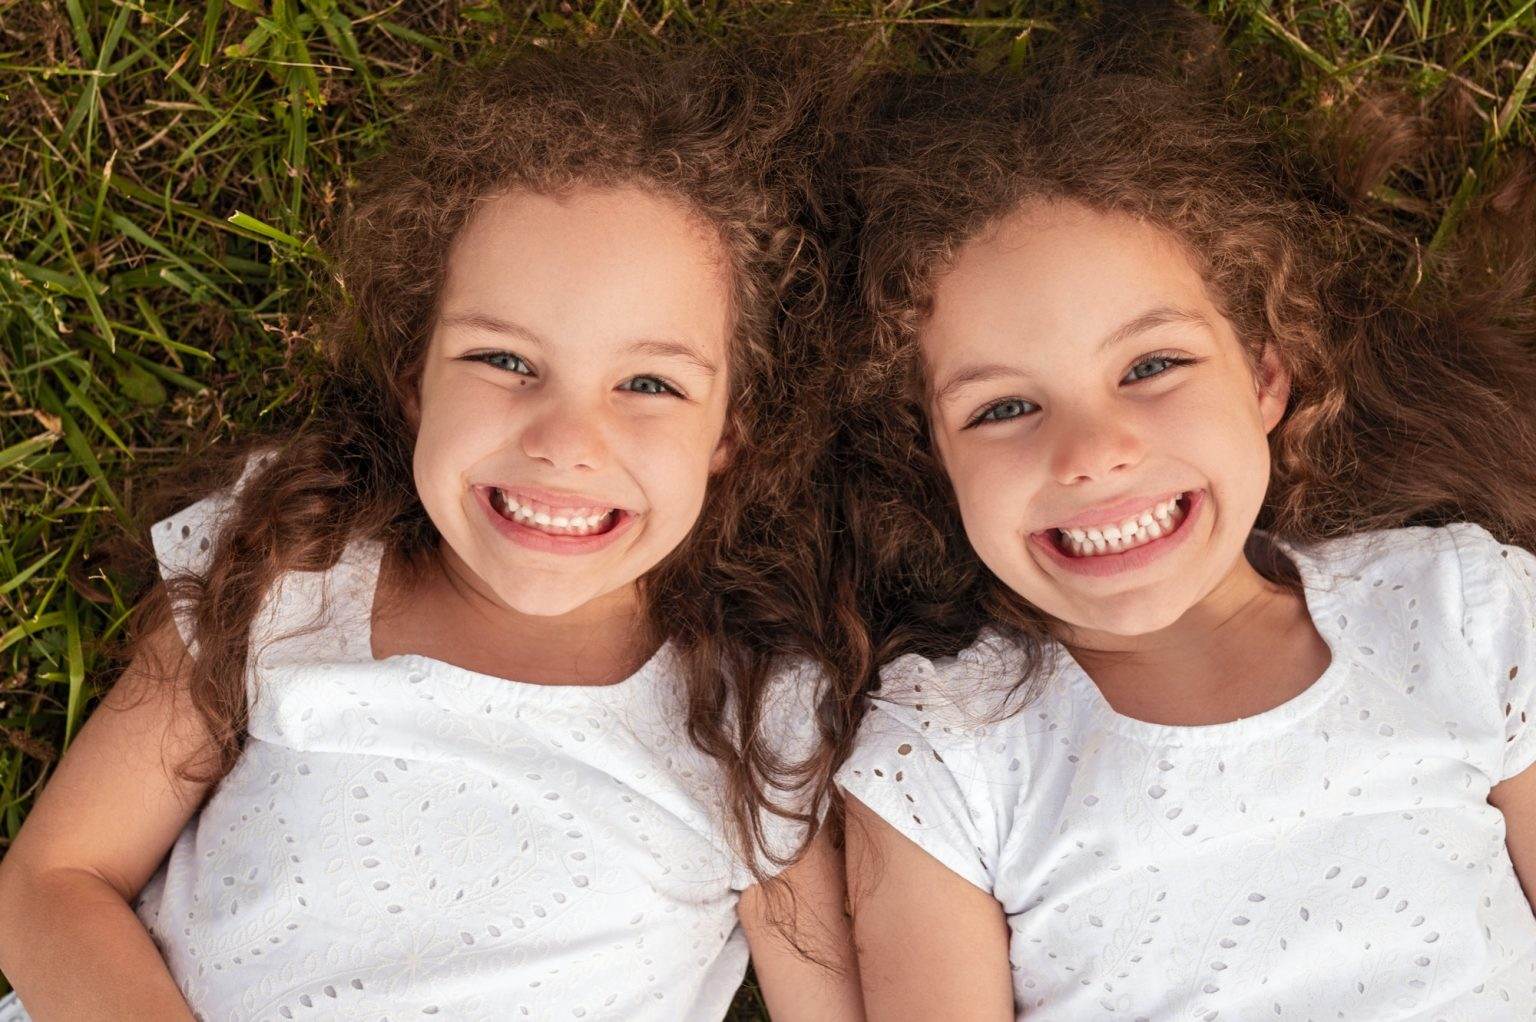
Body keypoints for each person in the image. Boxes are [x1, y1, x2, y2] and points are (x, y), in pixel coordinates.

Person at [0, 40, 861, 1022]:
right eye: (503, 359)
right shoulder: (295, 567)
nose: (566, 441)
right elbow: (55, 879)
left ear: (731, 432)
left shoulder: (761, 719)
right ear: (416, 378)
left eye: (650, 383)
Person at [832, 10, 1536, 1019]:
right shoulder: (943, 750)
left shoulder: (1459, 610)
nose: (1091, 451)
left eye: (1150, 366)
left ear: (1264, 375)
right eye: (1002, 408)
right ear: (931, 459)